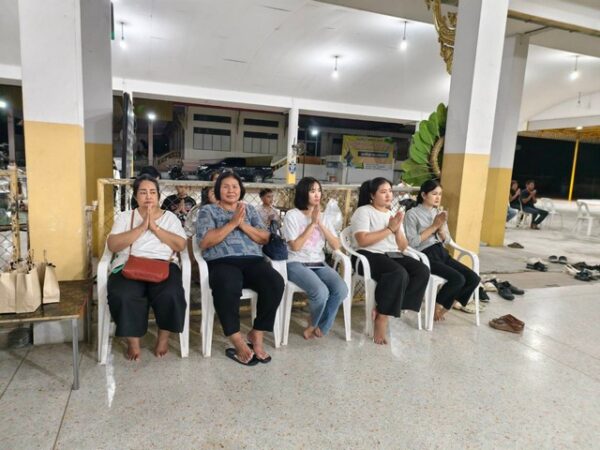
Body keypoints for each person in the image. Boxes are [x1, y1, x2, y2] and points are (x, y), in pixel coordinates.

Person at [196, 171, 285, 366]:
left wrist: (242, 224)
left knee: (275, 282)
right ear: (218, 190)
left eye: (235, 186)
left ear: (241, 190)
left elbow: (264, 238)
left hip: (253, 260)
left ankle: (257, 333)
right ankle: (236, 339)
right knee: (228, 283)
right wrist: (232, 223)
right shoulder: (208, 211)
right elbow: (205, 241)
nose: (231, 190)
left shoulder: (250, 210)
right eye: (225, 186)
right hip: (222, 261)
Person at [106, 174, 187, 361]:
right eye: (143, 192)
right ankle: (133, 342)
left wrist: (155, 228)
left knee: (171, 293)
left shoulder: (170, 218)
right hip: (129, 264)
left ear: (158, 195)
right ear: (136, 196)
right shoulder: (126, 217)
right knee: (123, 294)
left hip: (163, 265)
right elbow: (113, 245)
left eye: (152, 192)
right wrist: (142, 227)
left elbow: (180, 245)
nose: (148, 196)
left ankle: (163, 339)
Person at [350, 178, 430, 345]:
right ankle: (382, 317)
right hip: (368, 255)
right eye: (383, 192)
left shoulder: (390, 215)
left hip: (391, 254)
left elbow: (403, 247)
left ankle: (385, 308)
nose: (388, 195)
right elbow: (362, 240)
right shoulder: (363, 211)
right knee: (398, 273)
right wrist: (389, 229)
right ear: (372, 195)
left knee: (421, 270)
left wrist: (397, 229)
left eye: (390, 191)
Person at [403, 180, 480, 321]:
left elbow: (447, 240)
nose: (438, 197)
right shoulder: (412, 214)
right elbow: (412, 242)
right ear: (424, 195)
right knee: (458, 279)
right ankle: (436, 307)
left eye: (440, 194)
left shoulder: (438, 213)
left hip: (441, 252)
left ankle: (444, 309)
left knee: (473, 278)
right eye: (434, 194)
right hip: (425, 255)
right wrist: (434, 226)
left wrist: (441, 230)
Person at [282, 177, 348, 340]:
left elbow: (336, 245)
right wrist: (312, 224)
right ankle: (315, 323)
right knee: (320, 291)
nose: (317, 194)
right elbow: (295, 247)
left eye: (319, 190)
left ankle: (317, 324)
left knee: (341, 289)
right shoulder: (292, 215)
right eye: (312, 191)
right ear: (303, 193)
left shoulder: (323, 217)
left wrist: (320, 223)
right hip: (295, 262)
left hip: (318, 262)